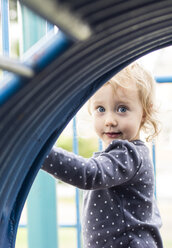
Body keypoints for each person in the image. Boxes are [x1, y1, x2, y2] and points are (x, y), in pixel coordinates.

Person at [42, 62, 163, 247]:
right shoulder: (125, 154)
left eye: (122, 109)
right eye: (100, 109)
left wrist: (43, 153)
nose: (109, 120)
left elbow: (89, 174)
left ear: (144, 113)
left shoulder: (129, 154)